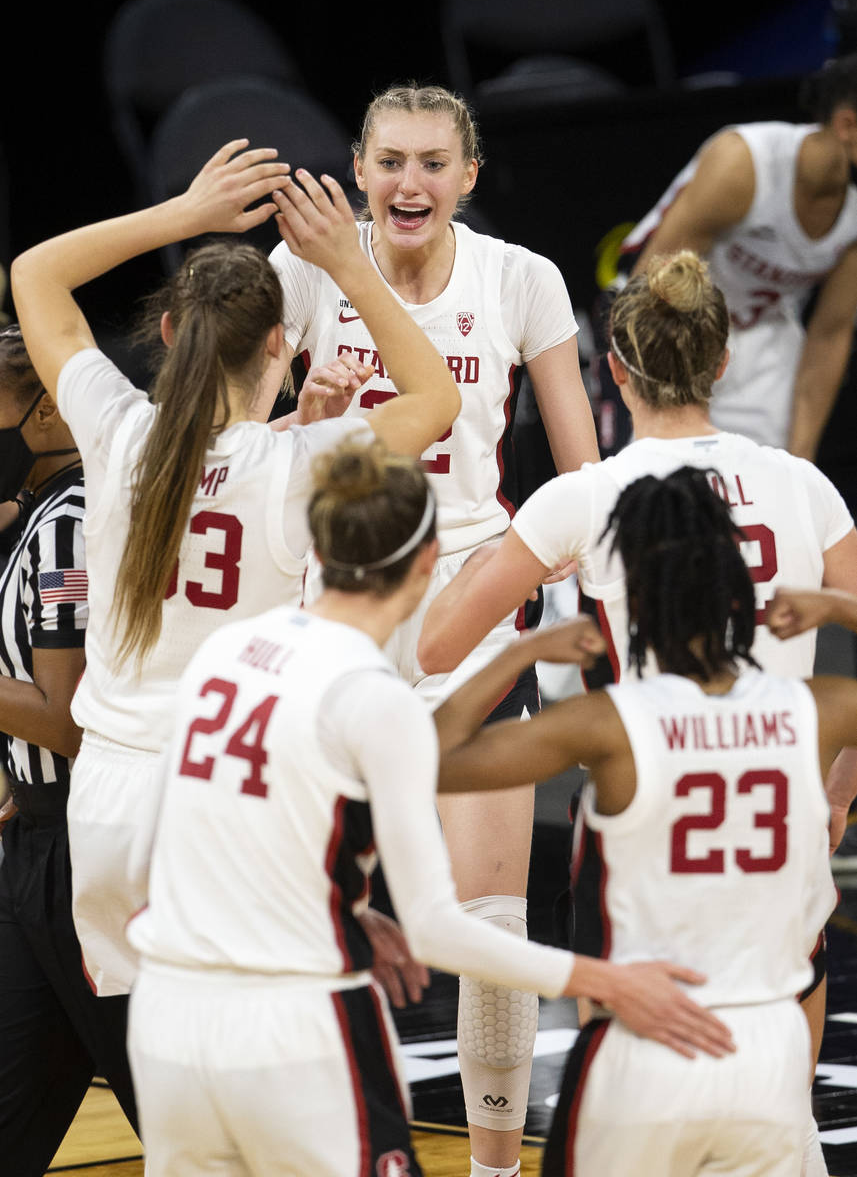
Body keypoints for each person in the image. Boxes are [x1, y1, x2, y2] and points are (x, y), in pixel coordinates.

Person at [125, 438, 733, 1177]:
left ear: (317, 544)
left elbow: (146, 851)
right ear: (425, 564)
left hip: (165, 1021)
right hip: (291, 1029)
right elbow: (440, 931)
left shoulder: (226, 651)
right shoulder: (370, 695)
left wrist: (341, 907)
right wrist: (603, 980)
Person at [418, 249, 857, 1177]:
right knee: (782, 1056)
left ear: (612, 369)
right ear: (723, 359)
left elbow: (436, 651)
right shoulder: (806, 489)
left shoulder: (585, 497)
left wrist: (517, 610)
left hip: (644, 825)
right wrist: (838, 790)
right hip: (782, 817)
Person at [9, 139, 461, 1001]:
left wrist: (184, 214)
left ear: (172, 331)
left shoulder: (117, 432)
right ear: (281, 346)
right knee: (265, 1073)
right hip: (229, 786)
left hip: (106, 803)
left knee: (171, 1075)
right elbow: (436, 400)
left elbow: (36, 273)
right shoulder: (294, 465)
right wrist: (346, 263)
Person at [268, 81, 601, 1176]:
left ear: (468, 177)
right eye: (389, 162)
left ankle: (497, 1170)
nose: (409, 183)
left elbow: (581, 477)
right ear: (358, 171)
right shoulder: (300, 269)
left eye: (431, 163)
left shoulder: (521, 277)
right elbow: (228, 451)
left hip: (468, 591)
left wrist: (538, 588)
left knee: (492, 924)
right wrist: (302, 418)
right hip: (337, 605)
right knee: (313, 912)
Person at [0, 325, 140, 1175]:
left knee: (185, 1130)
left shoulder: (74, 523)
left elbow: (64, 718)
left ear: (51, 410)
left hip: (87, 860)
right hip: (32, 853)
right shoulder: (38, 516)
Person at [613, 52, 857, 460]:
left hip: (761, 343)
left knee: (774, 500)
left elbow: (830, 334)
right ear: (848, 125)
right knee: (659, 491)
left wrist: (801, 462)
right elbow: (652, 284)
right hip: (668, 324)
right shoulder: (744, 164)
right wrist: (665, 410)